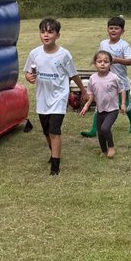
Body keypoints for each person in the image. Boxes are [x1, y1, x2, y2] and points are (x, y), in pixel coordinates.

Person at [24, 17, 87, 176]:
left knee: (54, 130)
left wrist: (84, 91)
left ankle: (55, 166)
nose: (46, 35)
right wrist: (28, 77)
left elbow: (73, 75)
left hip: (59, 97)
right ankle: (54, 152)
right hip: (42, 98)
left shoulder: (64, 55)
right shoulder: (34, 53)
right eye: (43, 32)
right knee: (46, 131)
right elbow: (28, 73)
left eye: (50, 32)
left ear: (57, 35)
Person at [81, 15, 131, 136]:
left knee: (126, 105)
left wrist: (116, 59)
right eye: (111, 28)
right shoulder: (103, 43)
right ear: (107, 29)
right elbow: (99, 57)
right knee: (100, 105)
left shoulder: (124, 45)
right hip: (104, 80)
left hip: (120, 81)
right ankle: (93, 130)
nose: (113, 30)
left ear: (122, 31)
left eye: (116, 28)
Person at [79, 50, 126, 158]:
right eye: (99, 61)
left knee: (105, 128)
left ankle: (111, 147)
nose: (103, 63)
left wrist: (122, 104)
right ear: (95, 64)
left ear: (110, 64)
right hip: (100, 110)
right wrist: (86, 106)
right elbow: (91, 95)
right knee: (100, 133)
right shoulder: (92, 78)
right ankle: (104, 151)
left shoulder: (114, 77)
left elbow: (122, 90)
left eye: (106, 61)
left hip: (112, 110)